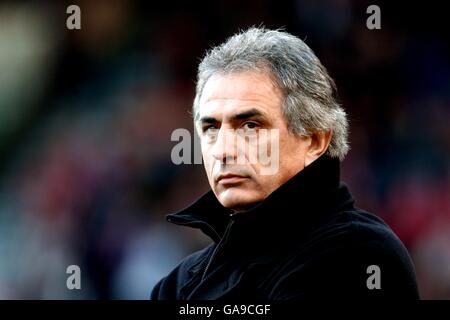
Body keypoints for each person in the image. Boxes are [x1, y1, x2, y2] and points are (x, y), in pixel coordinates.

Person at [151, 27, 419, 300]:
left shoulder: (360, 256)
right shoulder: (180, 281)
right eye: (210, 128)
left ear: (314, 140)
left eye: (250, 126)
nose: (223, 151)